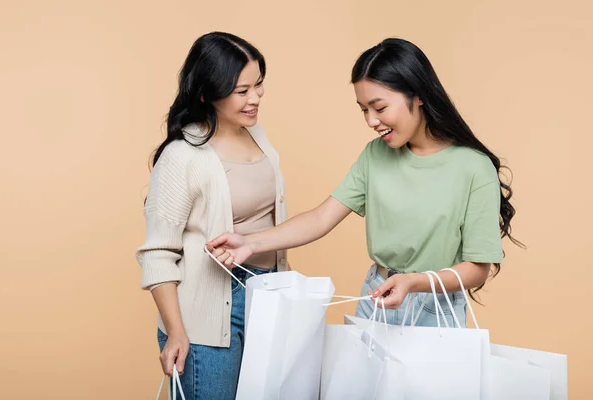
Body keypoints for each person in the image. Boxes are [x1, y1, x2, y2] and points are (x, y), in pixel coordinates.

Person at [206, 37, 523, 328]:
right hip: (377, 295)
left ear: (419, 96)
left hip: (435, 308)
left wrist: (414, 282)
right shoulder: (376, 155)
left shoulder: (472, 168)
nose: (372, 121)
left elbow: (478, 268)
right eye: (364, 110)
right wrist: (250, 242)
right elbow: (321, 218)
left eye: (380, 107)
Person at [135, 32, 289, 400]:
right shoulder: (182, 155)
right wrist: (176, 331)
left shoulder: (258, 136)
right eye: (241, 90)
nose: (254, 99)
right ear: (207, 94)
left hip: (266, 298)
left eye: (259, 85)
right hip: (206, 317)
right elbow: (157, 253)